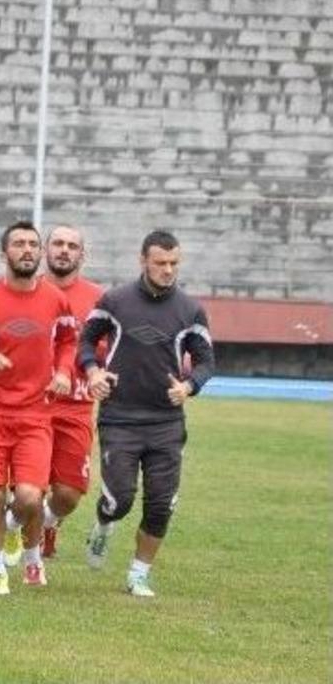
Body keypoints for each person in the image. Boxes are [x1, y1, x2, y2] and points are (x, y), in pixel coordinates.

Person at [79, 230, 215, 598]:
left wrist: (188, 387)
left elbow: (205, 361)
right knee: (119, 500)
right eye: (160, 263)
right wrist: (93, 371)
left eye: (174, 264)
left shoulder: (190, 309)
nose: (168, 270)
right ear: (143, 261)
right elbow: (86, 340)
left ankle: (139, 573)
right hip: (120, 418)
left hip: (166, 423)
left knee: (161, 504)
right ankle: (104, 525)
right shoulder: (115, 301)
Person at [0, 221, 77, 595]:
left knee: (29, 496)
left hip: (37, 412)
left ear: (40, 254)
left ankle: (11, 525)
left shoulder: (55, 299)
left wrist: (65, 372)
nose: (27, 250)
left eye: (32, 245)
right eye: (18, 244)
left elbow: (69, 340)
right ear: (4, 253)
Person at [37, 225, 103, 558]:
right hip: (31, 405)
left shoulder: (98, 299)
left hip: (76, 406)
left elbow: (107, 349)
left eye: (72, 245)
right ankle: (24, 534)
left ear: (82, 255)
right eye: (58, 244)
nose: (64, 250)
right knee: (28, 488)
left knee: (68, 494)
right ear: (45, 250)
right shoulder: (28, 290)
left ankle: (48, 522)